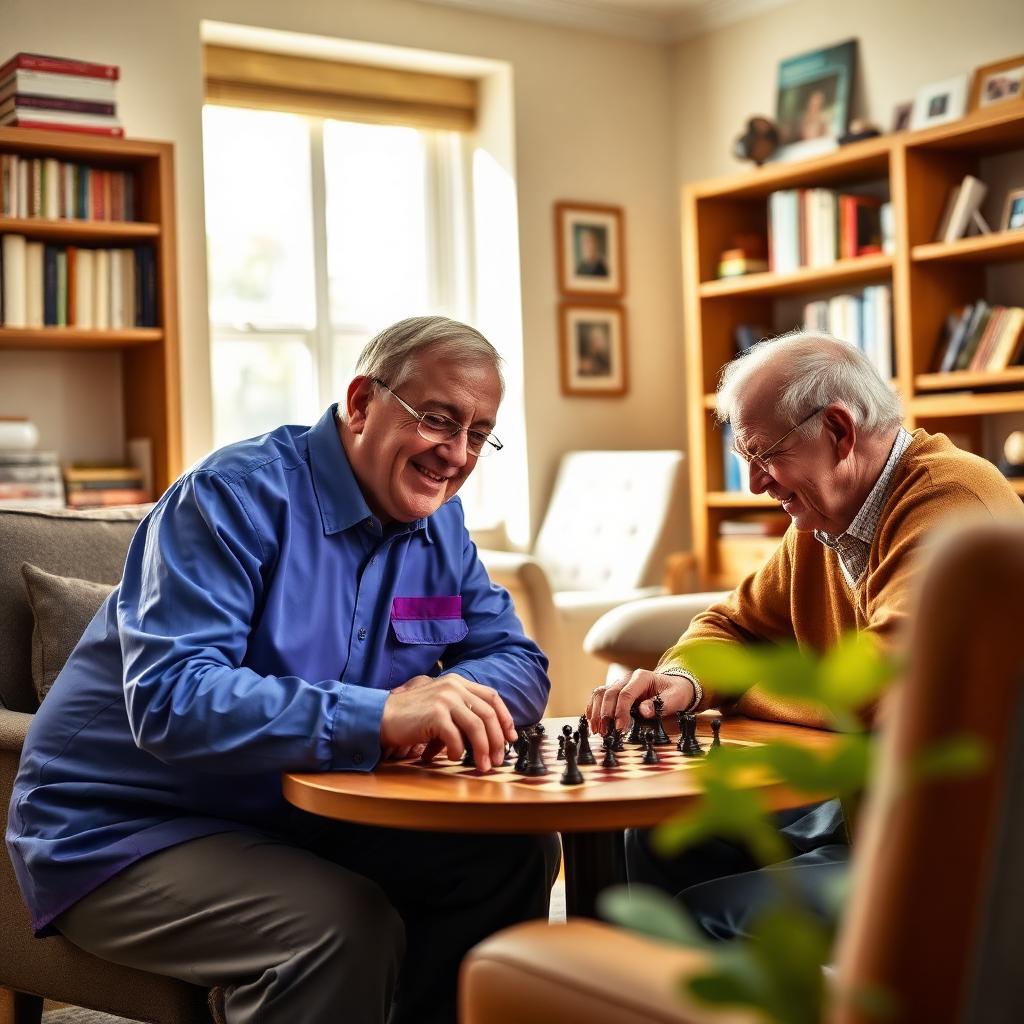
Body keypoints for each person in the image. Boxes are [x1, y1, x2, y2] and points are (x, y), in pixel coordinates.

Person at [7, 316, 560, 1024]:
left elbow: (517, 660)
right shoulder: (230, 499)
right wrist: (380, 713)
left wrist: (450, 694)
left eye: (479, 434)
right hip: (123, 825)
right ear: (361, 403)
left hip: (301, 812)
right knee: (339, 928)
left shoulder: (440, 525)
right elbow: (171, 700)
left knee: (510, 855)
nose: (455, 454)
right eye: (438, 420)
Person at [587, 330, 1024, 941]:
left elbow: (876, 689)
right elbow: (729, 623)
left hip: (953, 844)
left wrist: (732, 690)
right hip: (858, 805)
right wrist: (685, 680)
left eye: (765, 455)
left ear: (840, 433)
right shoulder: (823, 523)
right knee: (661, 834)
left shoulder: (953, 503)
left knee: (700, 917)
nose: (754, 484)